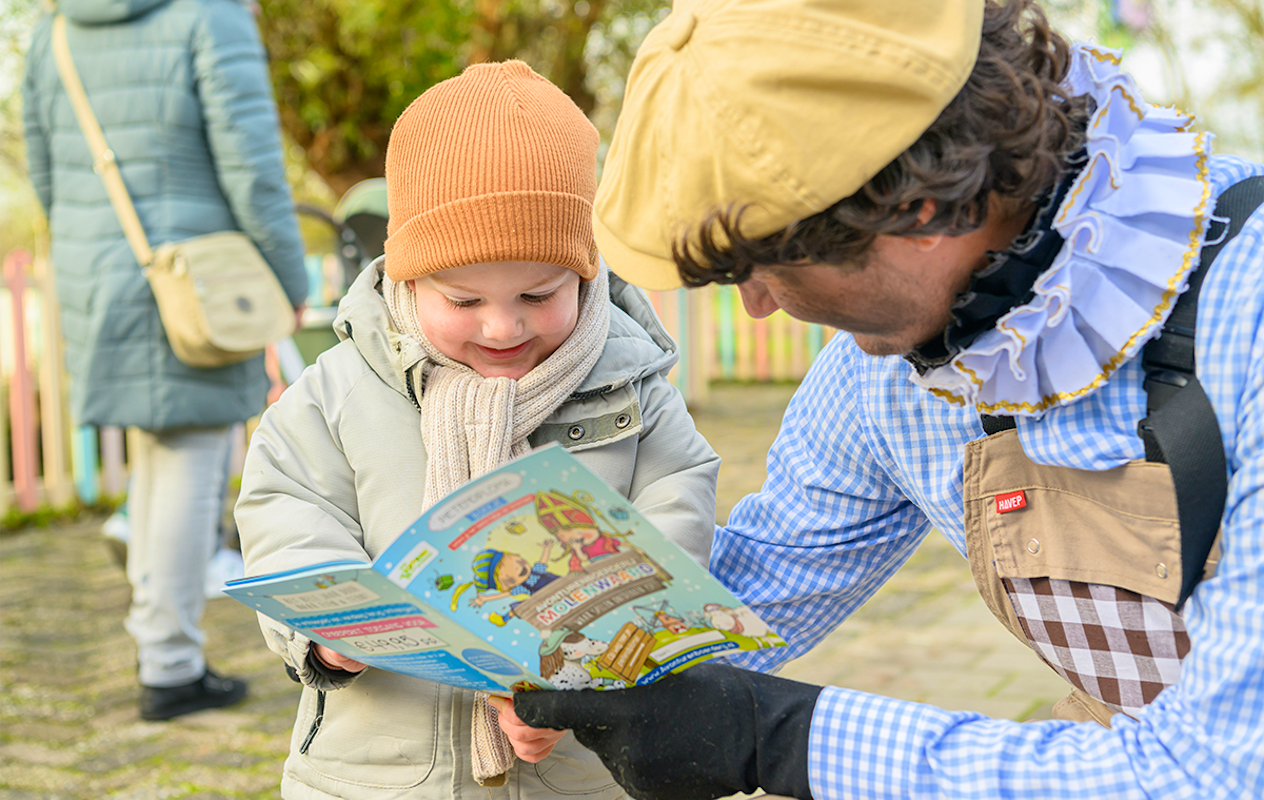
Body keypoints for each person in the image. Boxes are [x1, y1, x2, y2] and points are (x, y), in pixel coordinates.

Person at [505, 1, 1264, 798]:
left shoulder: (1244, 312)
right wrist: (560, 647)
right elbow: (766, 581)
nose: (757, 306)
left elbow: (1219, 771)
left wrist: (777, 738)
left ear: (916, 208)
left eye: (760, 267)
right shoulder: (883, 376)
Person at [233, 60, 719, 799]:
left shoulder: (630, 384)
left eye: (538, 292)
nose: (502, 325)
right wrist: (330, 629)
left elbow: (675, 501)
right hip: (380, 768)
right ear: (407, 277)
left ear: (584, 276)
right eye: (463, 299)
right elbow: (287, 503)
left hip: (576, 760)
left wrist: (591, 671)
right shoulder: (339, 388)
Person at [21, 0, 308, 721]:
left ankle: (158, 640)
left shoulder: (55, 26)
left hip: (99, 269)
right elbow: (252, 163)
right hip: (194, 277)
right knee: (193, 453)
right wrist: (287, 277)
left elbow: (43, 165)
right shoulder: (208, 16)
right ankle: (171, 665)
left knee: (158, 454)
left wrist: (94, 256)